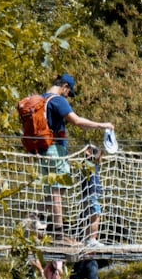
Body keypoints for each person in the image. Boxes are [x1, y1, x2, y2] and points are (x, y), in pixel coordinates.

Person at [37, 73, 114, 245]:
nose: (67, 96)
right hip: (55, 149)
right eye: (68, 91)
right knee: (58, 189)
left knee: (53, 189)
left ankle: (31, 222)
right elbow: (77, 121)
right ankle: (58, 234)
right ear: (65, 86)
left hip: (42, 150)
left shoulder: (41, 100)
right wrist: (103, 125)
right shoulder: (57, 100)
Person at [81, 145, 105, 246]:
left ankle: (88, 240)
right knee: (95, 215)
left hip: (89, 194)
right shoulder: (87, 163)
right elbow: (94, 157)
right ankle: (92, 239)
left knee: (91, 216)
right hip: (90, 194)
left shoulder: (91, 164)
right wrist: (91, 152)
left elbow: (98, 158)